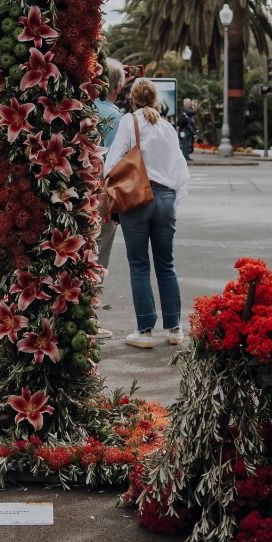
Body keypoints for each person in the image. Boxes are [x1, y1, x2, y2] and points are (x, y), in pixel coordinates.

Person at [103, 76, 189, 350]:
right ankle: (175, 328)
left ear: (132, 99)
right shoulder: (167, 127)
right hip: (166, 198)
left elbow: (114, 161)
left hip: (137, 198)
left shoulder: (130, 121)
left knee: (139, 265)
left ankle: (145, 330)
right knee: (167, 264)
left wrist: (108, 190)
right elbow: (180, 169)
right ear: (155, 99)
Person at [93, 58, 127, 337]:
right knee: (98, 256)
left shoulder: (81, 109)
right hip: (101, 196)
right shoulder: (114, 118)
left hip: (73, 196)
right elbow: (114, 163)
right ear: (116, 88)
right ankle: (88, 317)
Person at [178, 98, 197, 162]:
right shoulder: (185, 109)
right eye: (189, 103)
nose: (190, 104)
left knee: (188, 143)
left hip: (188, 129)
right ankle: (185, 156)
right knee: (186, 143)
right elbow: (193, 112)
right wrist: (195, 106)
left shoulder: (187, 109)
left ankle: (187, 155)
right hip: (186, 128)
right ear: (185, 103)